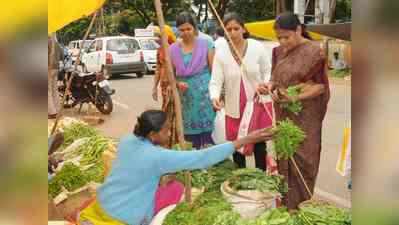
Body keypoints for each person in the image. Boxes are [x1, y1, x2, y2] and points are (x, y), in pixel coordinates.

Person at [78, 109, 274, 225]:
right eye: (166, 130)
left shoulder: (128, 140)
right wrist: (246, 140)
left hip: (102, 202)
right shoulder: (158, 156)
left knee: (170, 185)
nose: (169, 132)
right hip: (123, 218)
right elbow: (202, 157)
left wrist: (162, 178)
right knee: (173, 189)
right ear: (153, 134)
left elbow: (137, 170)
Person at [257, 12, 330, 209]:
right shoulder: (277, 52)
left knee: (305, 159)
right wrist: (268, 86)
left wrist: (295, 97)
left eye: (286, 37)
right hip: (282, 113)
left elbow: (321, 86)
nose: (282, 41)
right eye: (278, 37)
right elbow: (275, 78)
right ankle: (286, 204)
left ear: (298, 30)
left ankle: (302, 205)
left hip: (306, 116)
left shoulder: (316, 51)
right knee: (284, 157)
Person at [209, 13, 273, 171]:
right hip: (234, 106)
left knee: (259, 142)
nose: (232, 33)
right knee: (236, 144)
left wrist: (266, 84)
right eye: (228, 29)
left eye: (236, 28)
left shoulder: (256, 46)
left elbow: (268, 70)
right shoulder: (221, 53)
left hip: (257, 104)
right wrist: (215, 96)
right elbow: (216, 80)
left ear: (243, 29)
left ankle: (260, 176)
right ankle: (240, 177)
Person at [169, 12, 216, 149]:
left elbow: (214, 72)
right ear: (177, 30)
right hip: (186, 98)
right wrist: (177, 84)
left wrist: (217, 95)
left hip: (205, 97)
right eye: (181, 30)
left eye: (188, 29)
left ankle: (212, 165)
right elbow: (171, 76)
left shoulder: (207, 44)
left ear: (194, 28)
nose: (185, 33)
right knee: (190, 138)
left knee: (210, 134)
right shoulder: (172, 50)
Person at [152, 31, 177, 148]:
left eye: (159, 36)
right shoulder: (159, 51)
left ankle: (174, 140)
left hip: (172, 85)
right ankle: (167, 140)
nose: (156, 38)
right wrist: (154, 87)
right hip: (163, 85)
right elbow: (157, 69)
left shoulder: (175, 49)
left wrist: (174, 84)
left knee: (173, 112)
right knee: (166, 111)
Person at [48, 34, 63, 119]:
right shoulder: (56, 42)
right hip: (56, 67)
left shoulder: (47, 41)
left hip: (49, 67)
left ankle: (51, 112)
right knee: (54, 90)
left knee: (47, 90)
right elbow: (62, 54)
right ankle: (57, 109)